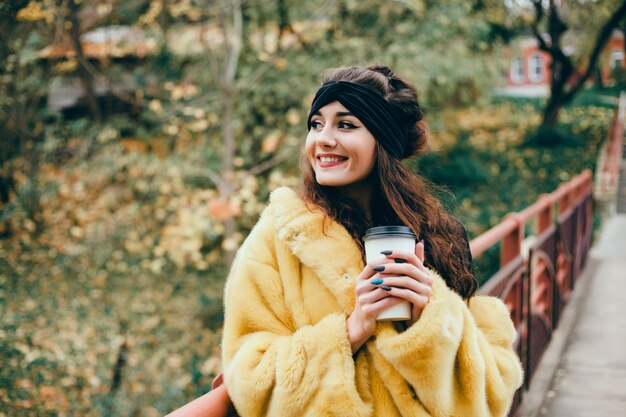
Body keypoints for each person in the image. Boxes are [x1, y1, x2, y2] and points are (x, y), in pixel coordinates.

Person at [220, 65, 523, 417]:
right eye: (316, 124)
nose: (323, 139)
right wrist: (351, 331)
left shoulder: (442, 235)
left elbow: (488, 391)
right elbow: (249, 377)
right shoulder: (282, 236)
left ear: (383, 141)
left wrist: (429, 315)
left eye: (345, 125)